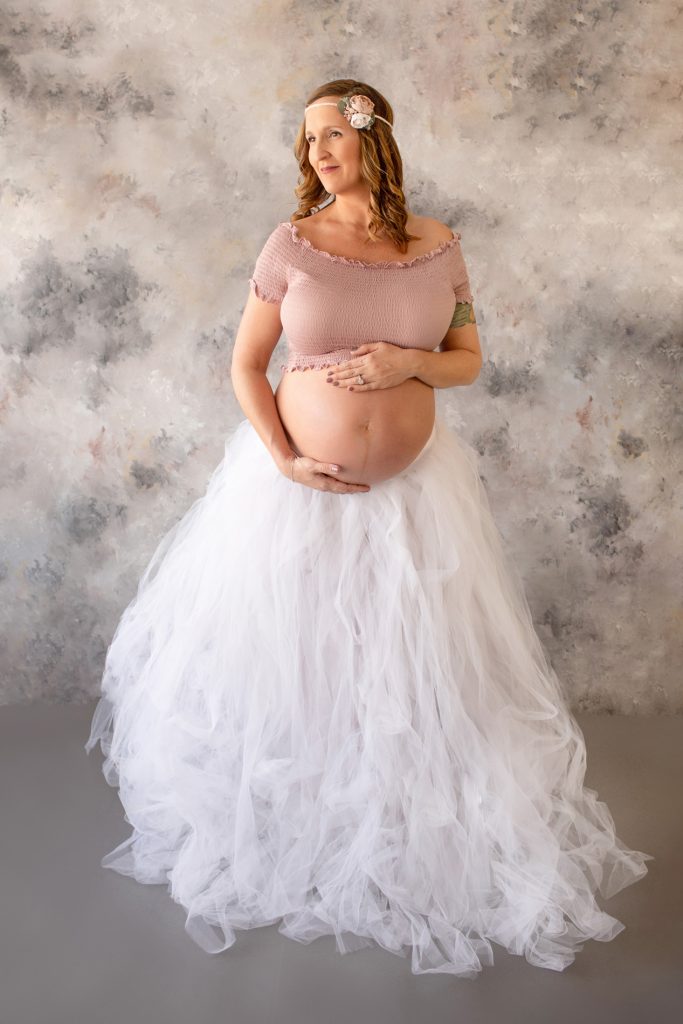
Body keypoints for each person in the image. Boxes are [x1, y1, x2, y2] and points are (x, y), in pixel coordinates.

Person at [85, 80, 653, 977]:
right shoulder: (292, 243)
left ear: (374, 140)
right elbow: (245, 364)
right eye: (306, 139)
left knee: (408, 666)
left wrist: (407, 362)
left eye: (331, 134)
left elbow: (467, 362)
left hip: (416, 496)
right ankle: (305, 826)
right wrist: (281, 457)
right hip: (297, 496)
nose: (316, 151)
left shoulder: (439, 248)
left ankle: (403, 828)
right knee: (302, 660)